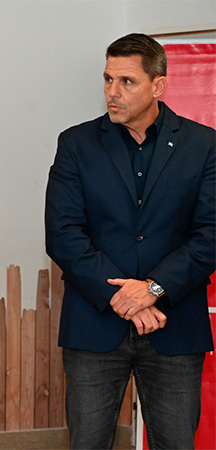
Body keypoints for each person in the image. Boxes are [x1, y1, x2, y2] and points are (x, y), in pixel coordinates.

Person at [45, 33, 215, 449]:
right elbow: (63, 233)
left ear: (158, 85)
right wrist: (124, 297)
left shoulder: (204, 145)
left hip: (174, 325)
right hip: (94, 324)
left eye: (127, 81)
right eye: (108, 79)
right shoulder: (76, 144)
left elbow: (211, 233)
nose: (112, 92)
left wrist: (153, 289)